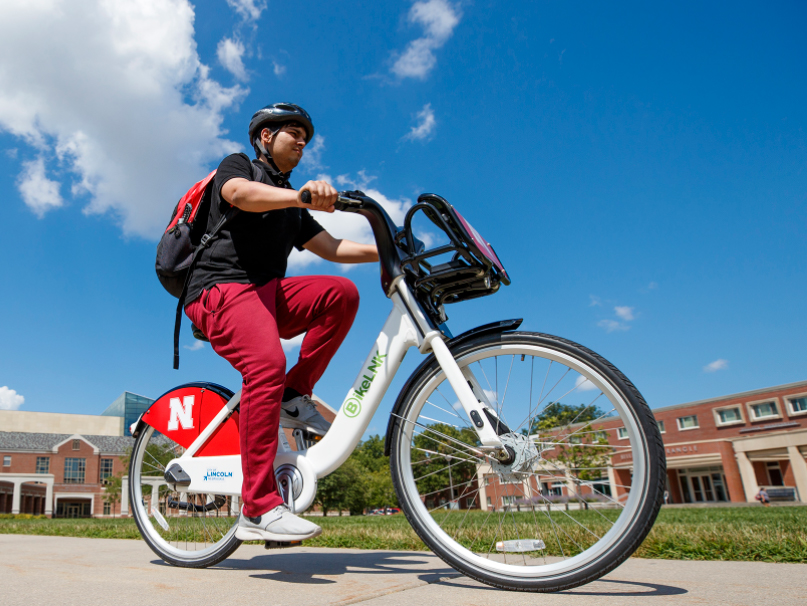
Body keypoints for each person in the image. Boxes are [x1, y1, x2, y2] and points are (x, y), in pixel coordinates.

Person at [184, 103, 378, 542]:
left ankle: (293, 394)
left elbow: (333, 248)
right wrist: (300, 195)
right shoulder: (240, 166)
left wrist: (389, 251)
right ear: (266, 137)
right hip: (220, 287)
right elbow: (238, 194)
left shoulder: (293, 206)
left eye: (306, 135)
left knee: (341, 294)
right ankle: (257, 507)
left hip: (265, 294)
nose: (303, 141)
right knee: (265, 364)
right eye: (294, 131)